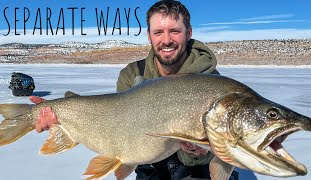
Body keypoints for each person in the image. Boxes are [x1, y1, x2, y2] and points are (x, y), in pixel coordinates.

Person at [30, 0, 238, 179]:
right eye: (158, 32)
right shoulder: (132, 74)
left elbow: (223, 149)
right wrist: (61, 120)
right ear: (149, 36)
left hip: (196, 166)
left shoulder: (211, 83)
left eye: (174, 31)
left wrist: (194, 152)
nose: (166, 40)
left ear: (188, 32)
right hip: (150, 164)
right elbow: (116, 126)